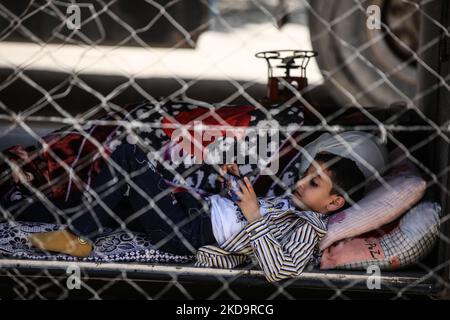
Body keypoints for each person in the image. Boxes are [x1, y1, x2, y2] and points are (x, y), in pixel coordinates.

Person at [25, 135, 371, 282]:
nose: (300, 182)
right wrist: (233, 188)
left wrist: (252, 212)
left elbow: (281, 268)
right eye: (306, 174)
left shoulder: (310, 229)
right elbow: (238, 213)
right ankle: (24, 212)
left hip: (190, 232)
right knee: (105, 201)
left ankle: (80, 238)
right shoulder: (290, 201)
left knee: (130, 157)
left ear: (334, 203)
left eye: (314, 183)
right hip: (195, 209)